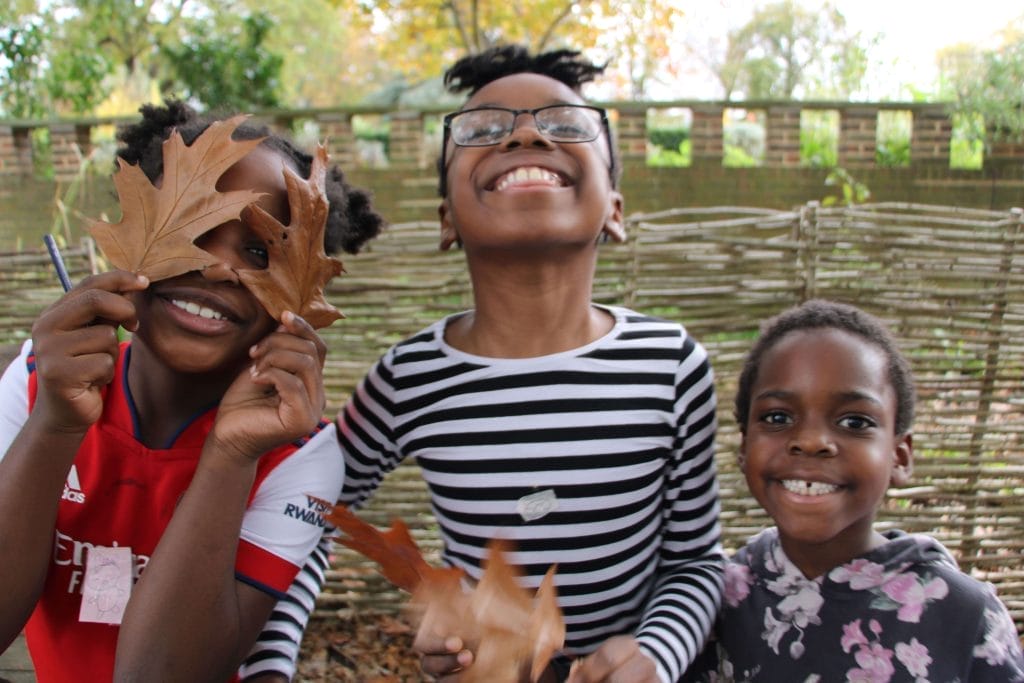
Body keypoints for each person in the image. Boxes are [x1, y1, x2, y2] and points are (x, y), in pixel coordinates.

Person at [253, 44, 724, 683]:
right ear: (448, 220)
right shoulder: (408, 379)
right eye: (483, 130)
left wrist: (657, 654)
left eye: (564, 124)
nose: (526, 133)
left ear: (614, 208)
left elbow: (696, 563)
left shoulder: (672, 367)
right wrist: (269, 669)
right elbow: (305, 517)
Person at [0, 101, 383, 682]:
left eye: (260, 252)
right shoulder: (37, 383)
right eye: (194, 232)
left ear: (303, 292)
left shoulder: (300, 453)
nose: (218, 269)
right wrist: (54, 424)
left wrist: (232, 454)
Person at [686, 299, 1024, 681]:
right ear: (744, 448)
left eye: (854, 421)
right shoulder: (711, 605)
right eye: (777, 417)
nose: (811, 441)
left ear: (899, 456)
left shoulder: (965, 617)